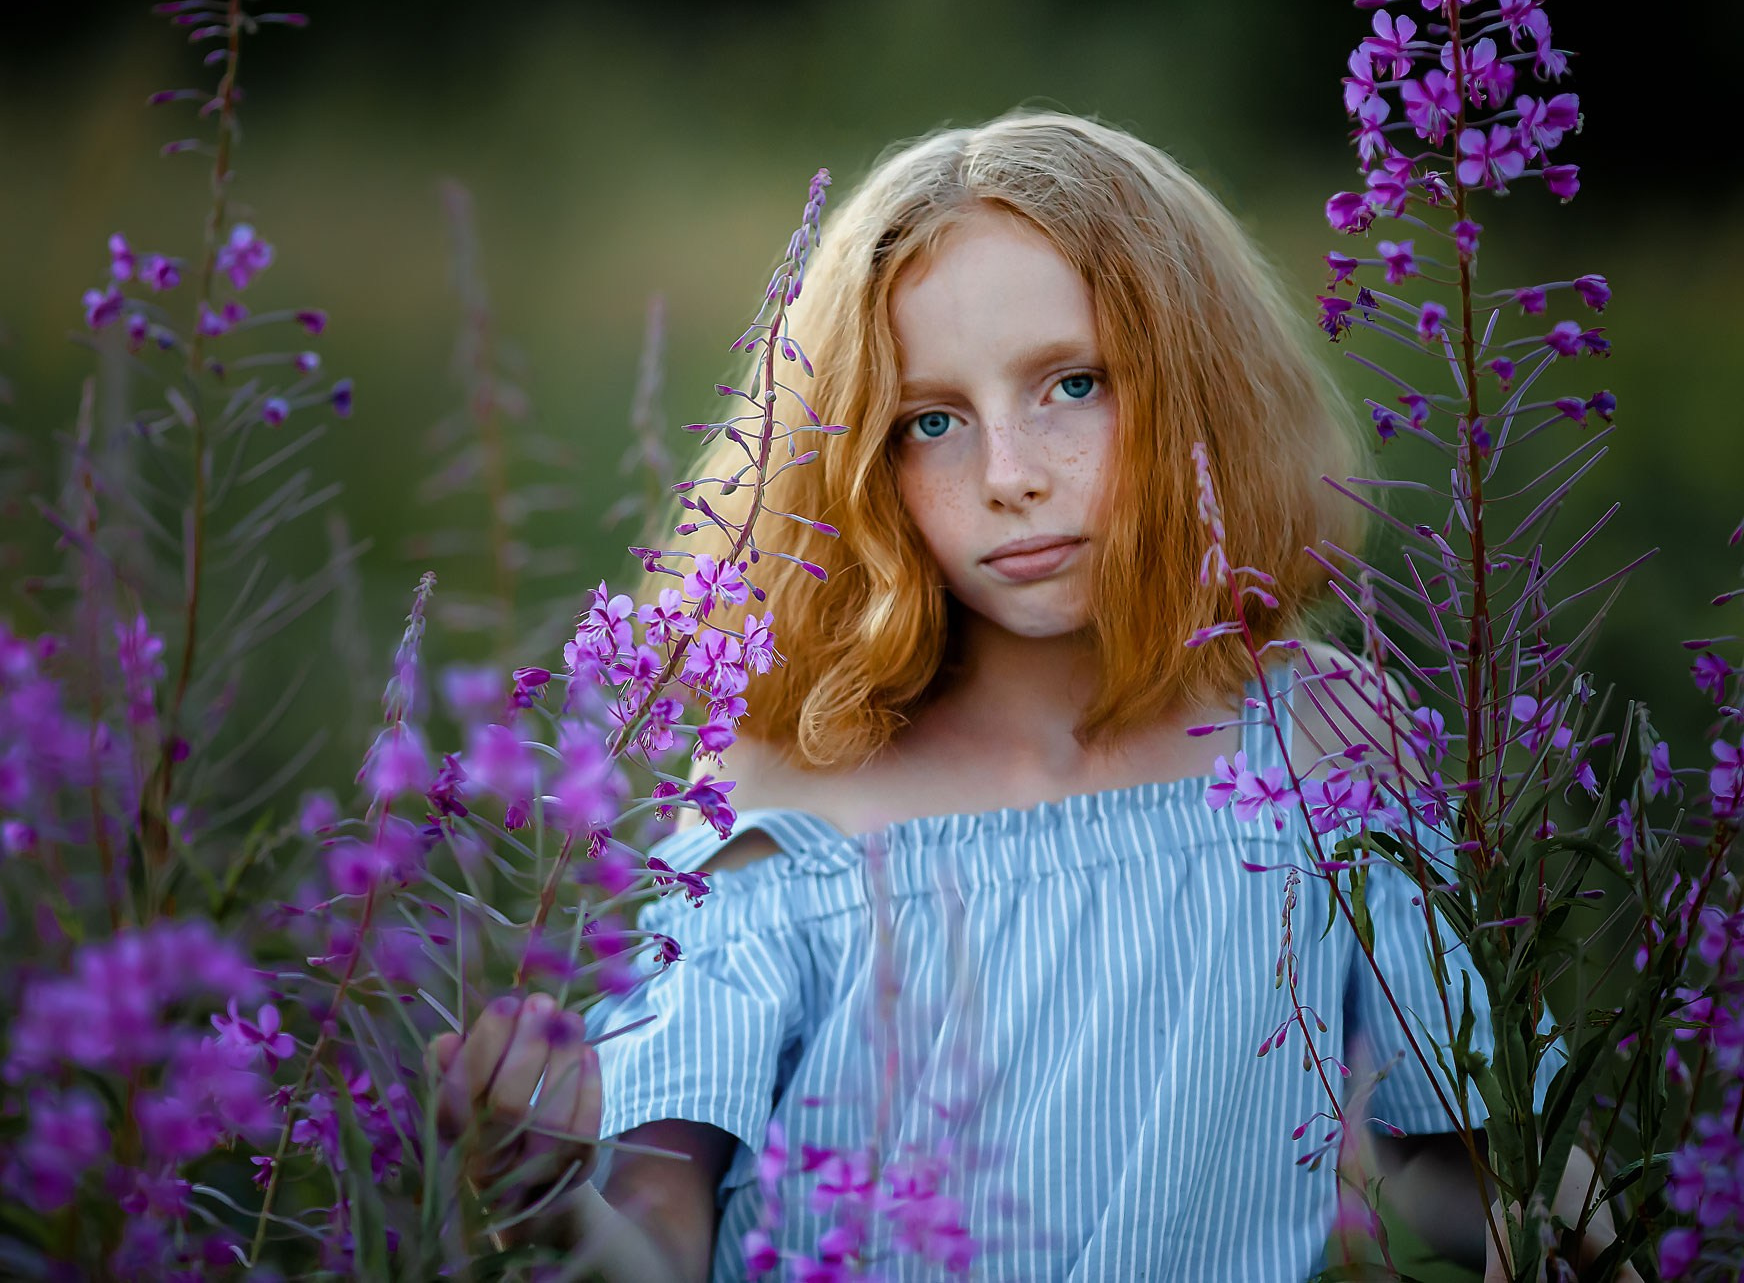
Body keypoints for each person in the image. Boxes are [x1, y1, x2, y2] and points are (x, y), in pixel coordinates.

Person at [425, 111, 1610, 1281]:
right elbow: (660, 1221)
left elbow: (1455, 1153)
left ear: (1198, 385)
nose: (1007, 476)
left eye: (1072, 385)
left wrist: (1578, 1238)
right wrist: (559, 1201)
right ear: (851, 465)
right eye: (927, 420)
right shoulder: (780, 797)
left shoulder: (1319, 740)